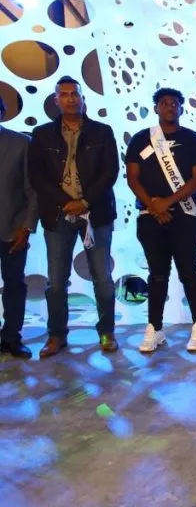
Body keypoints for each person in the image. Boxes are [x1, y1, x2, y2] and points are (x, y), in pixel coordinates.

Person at [30, 75, 120, 359]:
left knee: (102, 277)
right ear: (56, 100)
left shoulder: (102, 132)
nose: (70, 99)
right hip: (57, 214)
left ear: (83, 98)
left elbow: (110, 172)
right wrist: (65, 202)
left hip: (96, 213)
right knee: (56, 280)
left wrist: (84, 201)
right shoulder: (42, 134)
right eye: (64, 94)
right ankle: (56, 335)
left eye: (75, 94)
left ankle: (107, 332)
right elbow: (36, 176)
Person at [126, 88, 196, 353]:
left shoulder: (194, 139)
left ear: (181, 108)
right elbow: (132, 178)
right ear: (156, 108)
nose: (169, 107)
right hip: (150, 216)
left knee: (189, 271)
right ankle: (155, 328)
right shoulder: (141, 139)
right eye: (163, 103)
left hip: (185, 215)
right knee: (157, 274)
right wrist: (154, 206)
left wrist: (168, 202)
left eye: (174, 103)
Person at [0, 95, 38, 359]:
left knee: (14, 285)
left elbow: (32, 190)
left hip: (13, 228)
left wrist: (27, 227)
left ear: (2, 113)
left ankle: (12, 337)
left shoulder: (21, 143)